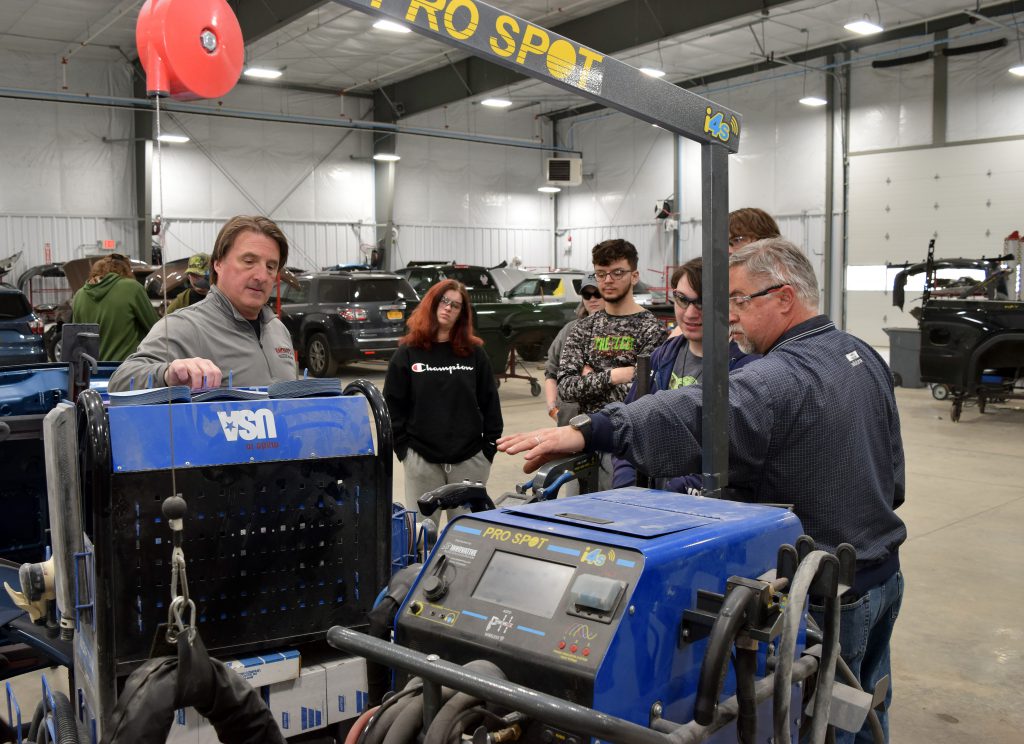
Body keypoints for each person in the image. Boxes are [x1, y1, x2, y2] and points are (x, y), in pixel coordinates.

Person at [500, 238, 905, 743]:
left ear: (783, 298)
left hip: (826, 595)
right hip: (882, 573)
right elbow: (894, 477)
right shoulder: (861, 353)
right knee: (867, 706)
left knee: (821, 724)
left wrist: (593, 430)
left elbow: (697, 413)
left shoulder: (783, 373)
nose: (728, 316)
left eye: (738, 300)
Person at [611, 257, 759, 491]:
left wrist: (673, 494)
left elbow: (738, 454)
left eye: (702, 303)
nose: (690, 313)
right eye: (682, 300)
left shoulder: (746, 368)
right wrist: (627, 488)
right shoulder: (662, 357)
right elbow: (628, 427)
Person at [108, 215, 296, 392]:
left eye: (271, 266)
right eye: (248, 261)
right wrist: (167, 374)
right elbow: (120, 381)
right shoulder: (185, 326)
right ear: (218, 264)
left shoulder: (278, 330)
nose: (262, 276)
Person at [384, 279, 503, 515]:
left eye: (456, 305)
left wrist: (488, 449)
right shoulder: (407, 353)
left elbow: (490, 403)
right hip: (422, 460)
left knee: (466, 539)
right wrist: (405, 451)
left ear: (462, 314)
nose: (448, 308)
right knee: (421, 536)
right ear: (432, 303)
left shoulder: (474, 354)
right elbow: (392, 406)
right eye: (444, 301)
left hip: (470, 461)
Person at [557, 239, 667, 490]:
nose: (608, 280)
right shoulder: (584, 328)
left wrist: (589, 376)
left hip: (626, 447)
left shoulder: (651, 330)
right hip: (583, 440)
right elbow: (565, 388)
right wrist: (615, 376)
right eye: (601, 274)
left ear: (634, 275)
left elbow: (641, 395)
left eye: (617, 272)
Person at [543, 274, 605, 426]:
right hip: (568, 419)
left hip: (604, 420)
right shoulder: (569, 330)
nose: (592, 299)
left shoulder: (621, 331)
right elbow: (551, 371)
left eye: (597, 293)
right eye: (587, 294)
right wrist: (553, 409)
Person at [71, 254, 158, 362]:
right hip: (126, 370)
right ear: (126, 270)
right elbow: (156, 328)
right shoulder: (132, 288)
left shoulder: (79, 295)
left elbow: (76, 340)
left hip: (92, 372)